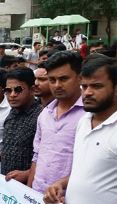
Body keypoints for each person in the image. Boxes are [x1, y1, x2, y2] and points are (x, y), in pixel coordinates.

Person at [44, 55, 117, 204]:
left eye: (97, 86)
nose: (87, 92)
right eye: (84, 86)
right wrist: (60, 184)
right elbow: (88, 172)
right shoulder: (84, 121)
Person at [27, 51, 86, 193]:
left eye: (64, 79)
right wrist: (28, 193)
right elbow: (37, 156)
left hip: (68, 202)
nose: (57, 85)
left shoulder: (90, 115)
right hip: (38, 196)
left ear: (80, 78)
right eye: (52, 80)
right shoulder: (45, 114)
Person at [0, 67, 43, 183]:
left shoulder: (41, 116)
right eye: (8, 90)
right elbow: (14, 146)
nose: (12, 95)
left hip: (30, 188)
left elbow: (47, 158)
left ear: (32, 90)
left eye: (18, 90)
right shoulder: (12, 113)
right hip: (8, 185)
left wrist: (28, 174)